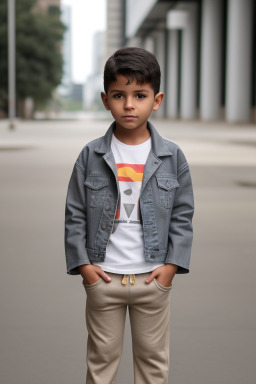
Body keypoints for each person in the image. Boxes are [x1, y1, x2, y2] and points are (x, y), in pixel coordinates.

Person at [65, 47, 194, 384]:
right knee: (101, 364)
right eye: (119, 95)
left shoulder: (172, 156)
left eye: (140, 95)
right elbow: (75, 213)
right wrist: (85, 267)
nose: (129, 104)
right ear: (105, 99)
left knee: (153, 365)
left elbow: (182, 215)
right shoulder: (91, 155)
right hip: (103, 276)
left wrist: (170, 268)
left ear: (157, 99)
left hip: (152, 278)